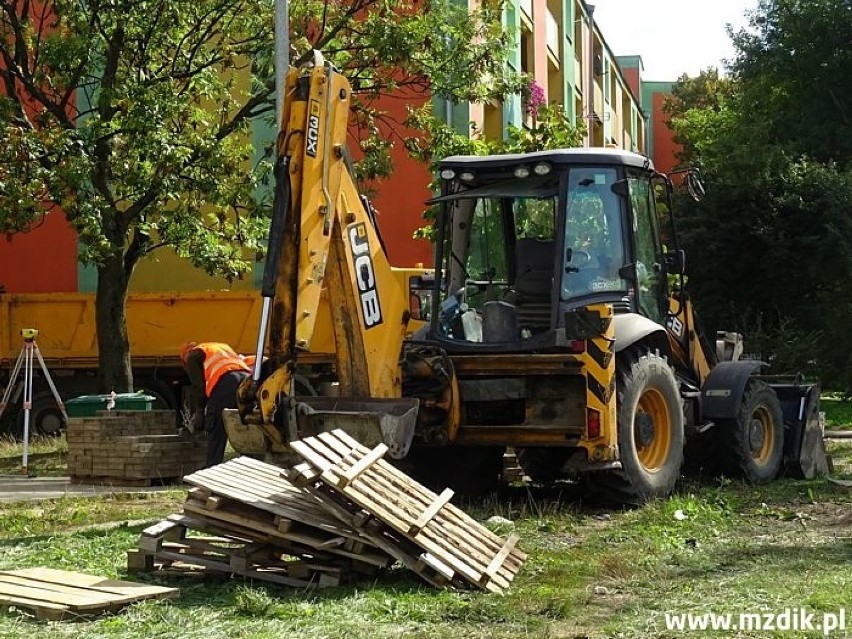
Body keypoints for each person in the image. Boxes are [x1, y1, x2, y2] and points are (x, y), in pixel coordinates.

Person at [180, 341, 251, 467]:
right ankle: (253, 464)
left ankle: (212, 467)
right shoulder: (218, 347)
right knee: (246, 424)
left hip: (226, 382)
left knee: (216, 425)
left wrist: (200, 412)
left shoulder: (192, 356)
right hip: (247, 380)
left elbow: (199, 386)